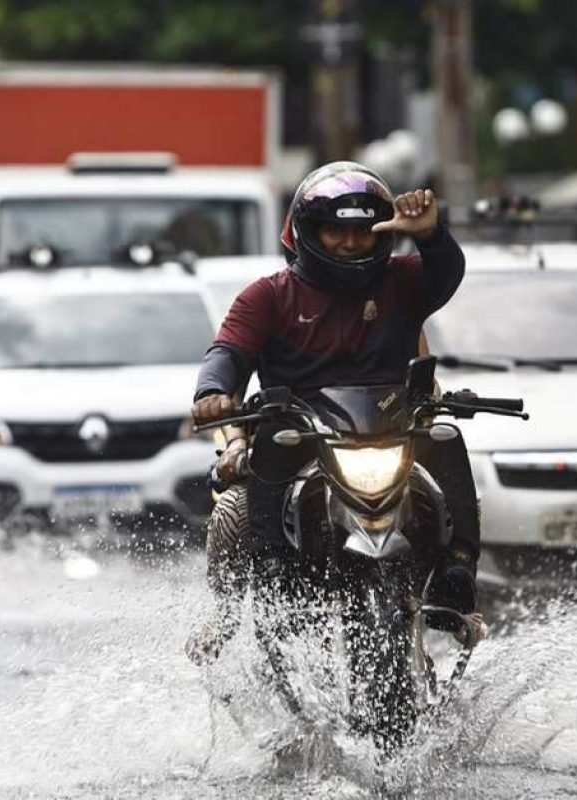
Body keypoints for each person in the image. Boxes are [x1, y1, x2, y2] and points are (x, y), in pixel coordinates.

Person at [184, 161, 479, 665]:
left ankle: (456, 571)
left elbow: (446, 273)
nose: (349, 243)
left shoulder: (403, 281)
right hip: (303, 438)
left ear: (382, 233)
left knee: (446, 438)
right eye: (335, 231)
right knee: (272, 444)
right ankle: (273, 566)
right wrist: (213, 391)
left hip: (391, 432)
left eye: (362, 232)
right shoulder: (267, 295)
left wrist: (431, 236)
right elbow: (227, 354)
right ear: (308, 231)